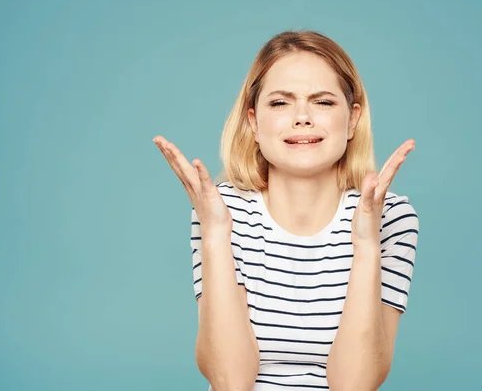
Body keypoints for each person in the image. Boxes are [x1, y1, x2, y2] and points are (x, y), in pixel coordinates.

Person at [153, 29, 419, 391]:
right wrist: (215, 234)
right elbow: (230, 380)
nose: (302, 117)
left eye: (323, 102)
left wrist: (366, 244)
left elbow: (355, 384)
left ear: (353, 119)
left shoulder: (391, 218)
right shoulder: (221, 209)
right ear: (254, 122)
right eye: (280, 103)